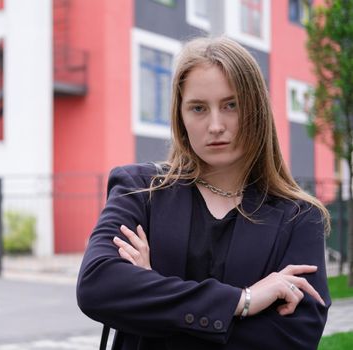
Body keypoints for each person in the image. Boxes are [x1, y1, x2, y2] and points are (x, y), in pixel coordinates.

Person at [76, 36, 331, 350]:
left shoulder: (299, 217)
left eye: (231, 105)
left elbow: (292, 340)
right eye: (198, 108)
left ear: (257, 110)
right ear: (180, 117)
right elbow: (97, 286)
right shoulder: (140, 190)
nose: (215, 125)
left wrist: (150, 294)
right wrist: (244, 300)